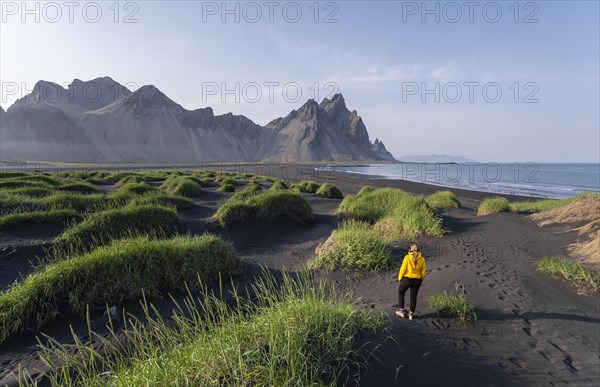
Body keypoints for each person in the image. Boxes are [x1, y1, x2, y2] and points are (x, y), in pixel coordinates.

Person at [396, 243, 426, 320]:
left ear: (410, 249)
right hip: (417, 280)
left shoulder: (407, 257)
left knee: (401, 291)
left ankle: (401, 311)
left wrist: (400, 278)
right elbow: (423, 272)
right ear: (418, 250)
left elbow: (403, 269)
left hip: (408, 279)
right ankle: (411, 314)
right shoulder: (422, 259)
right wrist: (421, 281)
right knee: (413, 297)